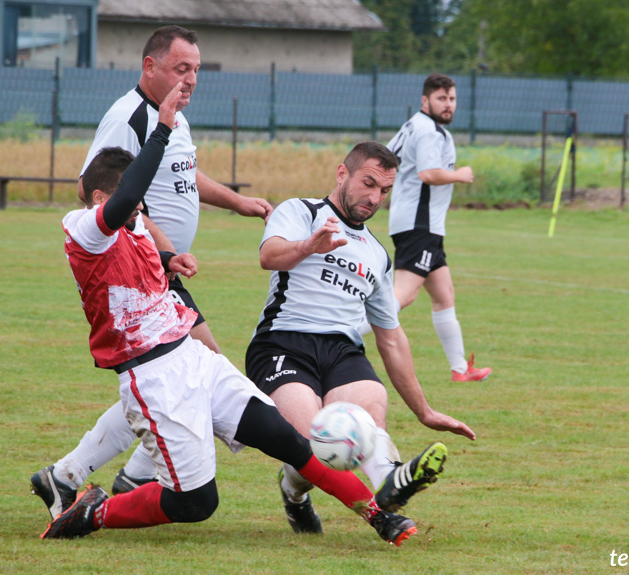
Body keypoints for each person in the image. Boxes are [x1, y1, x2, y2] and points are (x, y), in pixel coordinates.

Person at [40, 84, 417, 547]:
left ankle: (378, 514)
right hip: (153, 375)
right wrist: (161, 129)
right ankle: (94, 512)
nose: (138, 210)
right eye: (131, 201)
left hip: (192, 358)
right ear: (100, 197)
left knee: (287, 440)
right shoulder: (83, 228)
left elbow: (129, 253)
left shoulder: (132, 222)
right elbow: (121, 208)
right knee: (196, 503)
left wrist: (167, 260)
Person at [32, 26, 274, 514]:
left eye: (196, 70)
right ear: (150, 66)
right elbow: (95, 189)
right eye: (181, 68)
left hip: (163, 273)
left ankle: (70, 475)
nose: (191, 79)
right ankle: (133, 476)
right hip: (144, 275)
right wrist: (161, 252)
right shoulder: (129, 116)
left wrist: (236, 201)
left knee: (177, 380)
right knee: (199, 372)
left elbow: (183, 173)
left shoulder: (172, 117)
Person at [243, 141, 476, 535]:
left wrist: (425, 411)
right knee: (312, 442)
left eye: (384, 190)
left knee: (368, 413)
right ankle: (305, 496)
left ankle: (390, 480)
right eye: (368, 183)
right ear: (342, 174)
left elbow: (391, 338)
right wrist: (308, 245)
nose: (374, 197)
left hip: (341, 350)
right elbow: (270, 255)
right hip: (283, 343)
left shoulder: (377, 254)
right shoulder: (301, 212)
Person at [386, 73, 492, 383]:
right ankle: (340, 330)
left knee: (444, 295)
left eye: (452, 99)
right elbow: (428, 173)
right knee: (402, 296)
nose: (448, 105)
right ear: (425, 100)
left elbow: (387, 158)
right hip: (420, 225)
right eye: (441, 99)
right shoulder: (430, 132)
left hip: (418, 223)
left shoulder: (411, 126)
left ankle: (460, 369)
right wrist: (458, 174)